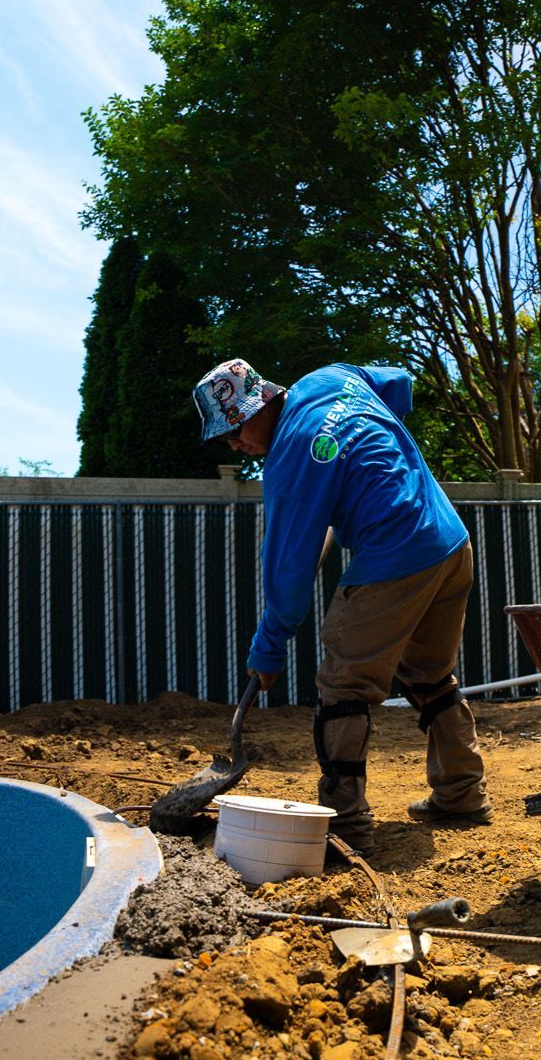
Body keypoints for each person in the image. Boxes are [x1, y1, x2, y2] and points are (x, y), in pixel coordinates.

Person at [192, 357, 490, 854]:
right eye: (227, 440)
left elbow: (288, 570)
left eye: (235, 431)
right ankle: (462, 794)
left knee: (343, 688)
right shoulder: (331, 379)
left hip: (395, 558)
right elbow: (398, 382)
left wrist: (268, 648)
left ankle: (346, 825)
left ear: (261, 404)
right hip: (450, 544)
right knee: (431, 677)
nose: (236, 444)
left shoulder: (289, 458)